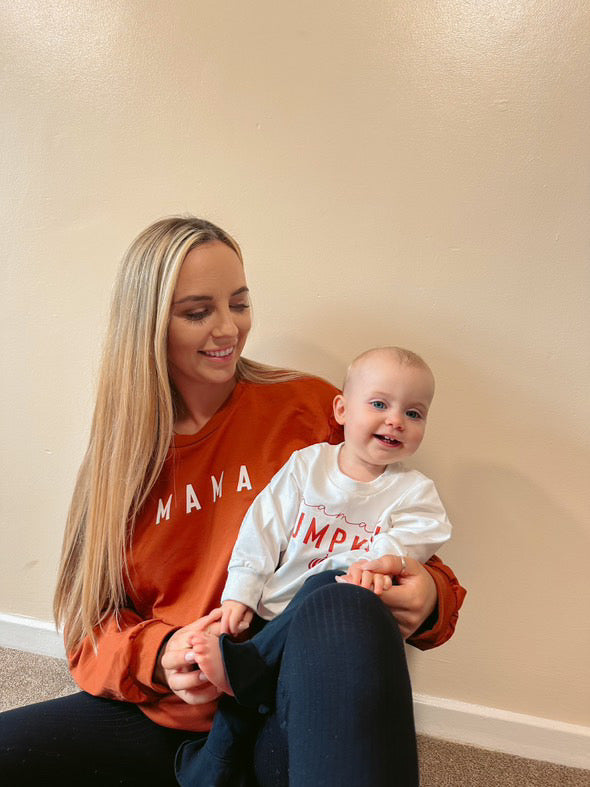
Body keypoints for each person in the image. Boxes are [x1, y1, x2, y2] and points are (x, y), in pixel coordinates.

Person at [0, 216, 466, 786]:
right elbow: (88, 631)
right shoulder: (119, 463)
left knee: (339, 596)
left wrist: (430, 596)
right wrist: (163, 653)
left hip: (284, 715)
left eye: (239, 304)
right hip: (169, 724)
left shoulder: (312, 410)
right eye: (198, 312)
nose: (228, 329)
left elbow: (406, 543)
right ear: (148, 325)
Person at [178, 346, 453, 785]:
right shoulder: (309, 464)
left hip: (324, 637)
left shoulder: (412, 492)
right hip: (270, 619)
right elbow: (263, 527)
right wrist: (240, 592)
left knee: (330, 582)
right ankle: (209, 769)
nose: (396, 420)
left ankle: (247, 669)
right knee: (235, 713)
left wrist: (375, 562)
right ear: (342, 410)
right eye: (379, 404)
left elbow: (421, 535)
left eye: (414, 413)